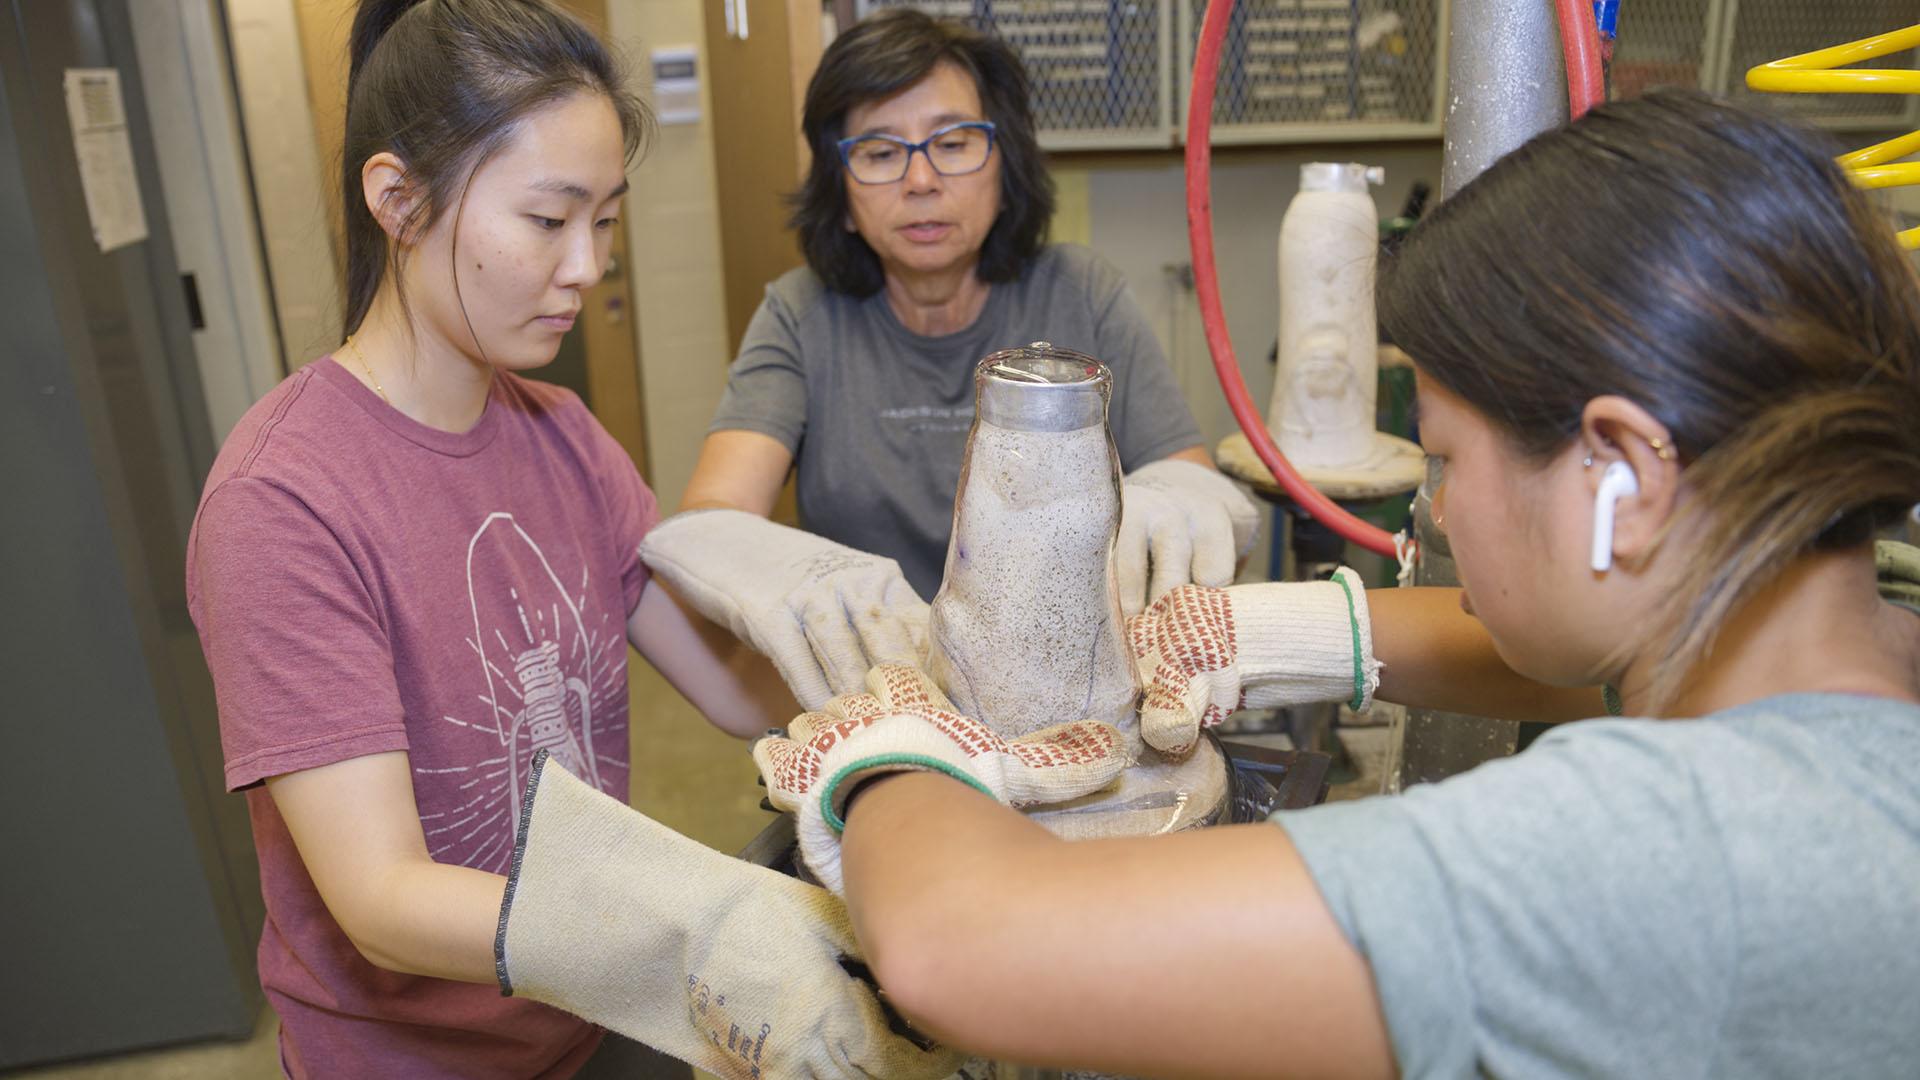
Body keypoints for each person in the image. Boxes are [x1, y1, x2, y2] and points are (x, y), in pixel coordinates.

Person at [752, 90, 1920, 1077]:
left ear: (1623, 475)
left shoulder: (1652, 847)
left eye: (1450, 459)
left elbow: (964, 952)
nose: (1439, 509)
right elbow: (1609, 657)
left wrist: (898, 742)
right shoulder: (1870, 646)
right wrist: (1285, 628)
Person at [185, 2, 958, 1076]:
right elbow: (382, 900)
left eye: (606, 221)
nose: (589, 268)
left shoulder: (564, 441)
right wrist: (693, 927)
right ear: (398, 200)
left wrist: (920, 689)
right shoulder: (285, 501)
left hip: (586, 1016)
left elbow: (731, 688)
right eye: (550, 221)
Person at [641, 9, 1258, 710]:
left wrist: (1174, 508)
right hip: (876, 691)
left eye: (954, 142)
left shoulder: (1081, 295)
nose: (921, 180)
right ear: (840, 196)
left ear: (1005, 168)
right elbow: (714, 518)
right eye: (878, 151)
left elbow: (1192, 500)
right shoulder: (800, 315)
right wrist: (796, 581)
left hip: (1067, 693)